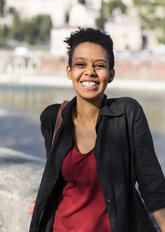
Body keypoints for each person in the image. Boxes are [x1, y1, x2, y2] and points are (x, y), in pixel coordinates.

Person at [29, 27, 165, 232]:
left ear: (111, 74)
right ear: (69, 71)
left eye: (99, 65)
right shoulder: (53, 118)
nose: (89, 72)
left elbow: (152, 183)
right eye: (80, 64)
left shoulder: (127, 113)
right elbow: (55, 173)